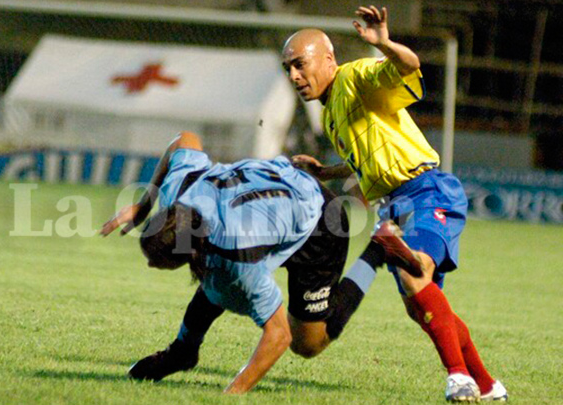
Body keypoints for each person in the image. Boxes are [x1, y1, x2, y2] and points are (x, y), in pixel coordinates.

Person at [281, 5, 507, 402]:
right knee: (420, 305)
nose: (294, 76)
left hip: (426, 190)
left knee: (412, 270)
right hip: (396, 205)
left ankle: (459, 378)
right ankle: (488, 386)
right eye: (288, 69)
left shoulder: (354, 77)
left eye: (300, 64)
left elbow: (408, 66)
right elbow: (361, 159)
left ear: (328, 58)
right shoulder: (332, 111)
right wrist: (325, 172)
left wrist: (384, 44)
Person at [101, 131, 381, 394]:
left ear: (185, 253)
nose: (150, 265)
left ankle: (378, 249)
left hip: (320, 220)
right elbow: (184, 139)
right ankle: (183, 351)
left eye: (156, 260)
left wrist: (232, 393)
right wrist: (144, 205)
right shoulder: (180, 193)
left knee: (308, 343)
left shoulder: (237, 255)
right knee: (219, 276)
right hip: (273, 200)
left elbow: (279, 335)